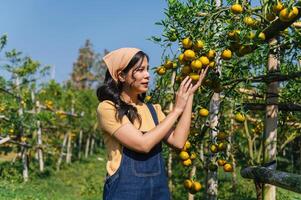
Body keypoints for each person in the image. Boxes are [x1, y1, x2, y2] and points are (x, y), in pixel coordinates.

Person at [96, 47, 207, 200]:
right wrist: (177, 109)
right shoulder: (108, 108)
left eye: (147, 69)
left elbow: (178, 142)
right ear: (121, 75)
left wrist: (189, 96)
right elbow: (143, 144)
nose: (147, 75)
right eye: (140, 70)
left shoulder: (153, 110)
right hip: (124, 192)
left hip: (158, 191)